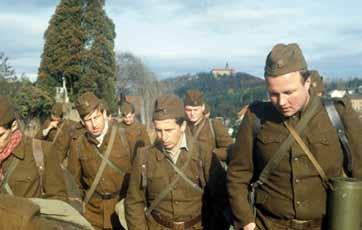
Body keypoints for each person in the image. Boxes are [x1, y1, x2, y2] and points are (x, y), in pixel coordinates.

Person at [227, 43, 362, 230]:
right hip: (269, 224)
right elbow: (237, 175)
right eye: (273, 94)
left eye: (289, 92)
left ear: (307, 83)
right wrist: (246, 221)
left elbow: (359, 172)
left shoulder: (337, 114)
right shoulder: (256, 119)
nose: (282, 102)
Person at [125, 94, 227, 230]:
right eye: (158, 130)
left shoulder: (204, 154)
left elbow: (221, 200)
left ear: (183, 126)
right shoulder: (144, 157)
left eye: (169, 130)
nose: (163, 137)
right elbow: (133, 202)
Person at [68, 92, 131, 230]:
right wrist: (79, 210)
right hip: (92, 214)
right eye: (88, 120)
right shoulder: (78, 144)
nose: (94, 124)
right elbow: (73, 184)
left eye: (96, 117)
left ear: (104, 114)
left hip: (121, 212)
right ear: (83, 122)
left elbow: (138, 179)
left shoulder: (125, 137)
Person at [0, 96, 67, 200]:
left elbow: (59, 202)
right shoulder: (46, 124)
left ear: (13, 126)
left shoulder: (42, 152)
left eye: (1, 135)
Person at [184, 90, 233, 162]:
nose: (192, 114)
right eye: (189, 110)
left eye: (195, 110)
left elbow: (230, 150)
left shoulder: (214, 125)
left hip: (211, 171)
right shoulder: (181, 127)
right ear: (184, 109)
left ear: (203, 108)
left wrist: (210, 153)